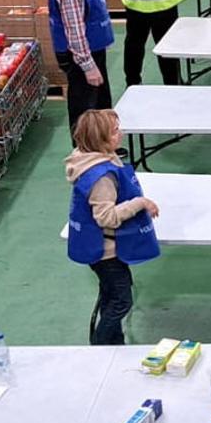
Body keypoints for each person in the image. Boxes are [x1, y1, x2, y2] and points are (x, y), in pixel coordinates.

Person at [64, 109, 160, 345]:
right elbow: (106, 217)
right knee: (121, 301)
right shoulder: (101, 178)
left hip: (100, 248)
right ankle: (99, 345)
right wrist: (139, 203)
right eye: (115, 132)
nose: (121, 134)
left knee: (110, 296)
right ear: (100, 140)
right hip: (106, 252)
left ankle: (113, 345)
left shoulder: (89, 158)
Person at [48, 0, 115, 137]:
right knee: (84, 109)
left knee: (101, 100)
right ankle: (85, 155)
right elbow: (75, 33)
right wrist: (88, 66)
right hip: (81, 56)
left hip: (93, 48)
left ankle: (105, 144)